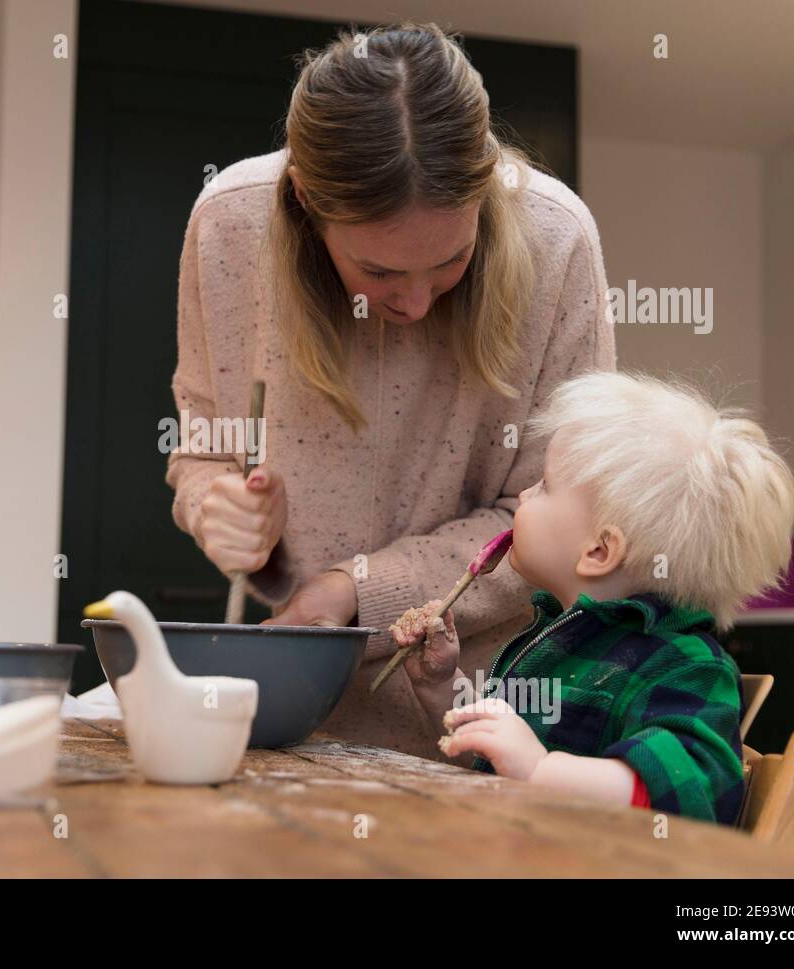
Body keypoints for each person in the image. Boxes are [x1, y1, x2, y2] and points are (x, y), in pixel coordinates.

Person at [166, 22, 614, 756]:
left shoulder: (558, 241)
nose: (415, 303)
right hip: (287, 725)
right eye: (377, 271)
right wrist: (214, 504)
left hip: (489, 730)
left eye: (452, 260)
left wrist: (353, 590)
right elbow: (203, 444)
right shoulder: (228, 225)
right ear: (308, 201)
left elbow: (566, 523)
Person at [394, 371, 794, 824]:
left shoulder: (687, 667)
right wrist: (440, 684)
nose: (523, 495)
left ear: (600, 551)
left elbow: (685, 795)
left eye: (544, 485)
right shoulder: (558, 638)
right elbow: (495, 763)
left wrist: (541, 770)